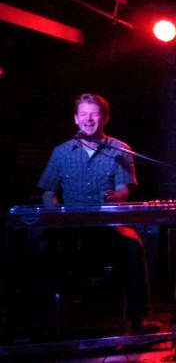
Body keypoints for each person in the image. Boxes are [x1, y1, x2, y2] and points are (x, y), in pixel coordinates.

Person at [34, 93, 154, 335]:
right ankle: (41, 324)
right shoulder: (61, 152)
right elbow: (48, 192)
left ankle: (138, 319)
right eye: (84, 114)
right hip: (70, 226)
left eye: (94, 114)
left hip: (108, 225)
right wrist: (56, 212)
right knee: (40, 248)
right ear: (76, 119)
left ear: (105, 118)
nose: (88, 119)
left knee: (132, 246)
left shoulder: (120, 149)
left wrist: (113, 197)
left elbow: (123, 191)